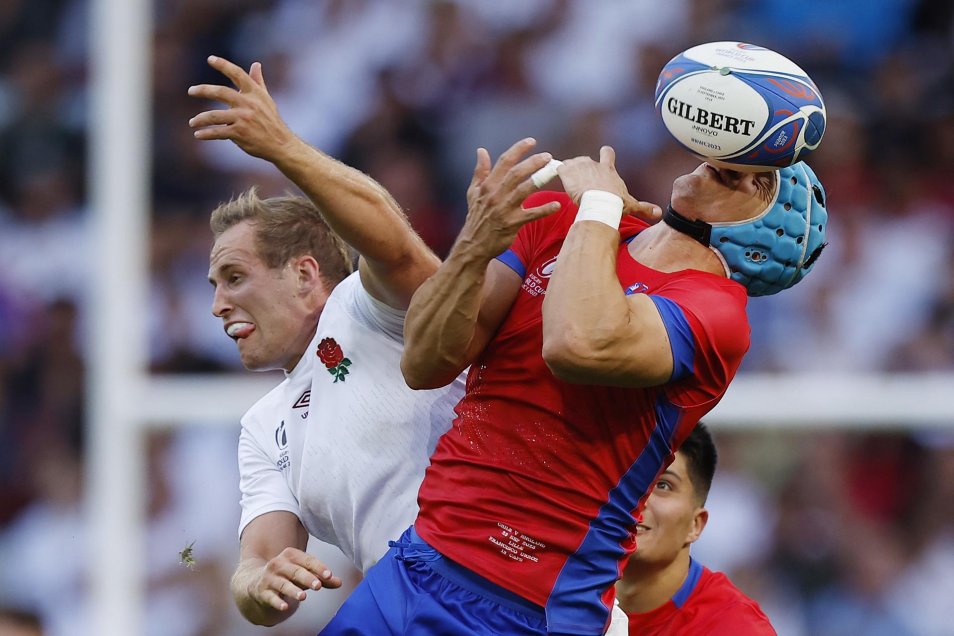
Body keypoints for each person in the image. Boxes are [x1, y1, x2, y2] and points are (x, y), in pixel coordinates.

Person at [320, 139, 828, 635]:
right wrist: (475, 244)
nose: (731, 163)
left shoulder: (716, 312)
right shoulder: (563, 217)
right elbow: (424, 363)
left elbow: (574, 343)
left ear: (762, 242)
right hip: (420, 559)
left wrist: (600, 208)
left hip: (526, 606)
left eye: (760, 180)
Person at [187, 55, 470, 627]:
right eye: (214, 285)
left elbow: (398, 249)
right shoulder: (264, 426)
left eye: (235, 277)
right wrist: (256, 582)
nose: (218, 304)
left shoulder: (365, 311)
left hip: (515, 580)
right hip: (420, 611)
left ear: (306, 274)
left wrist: (283, 148)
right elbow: (257, 563)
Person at [616, 422, 776, 635]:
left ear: (696, 524)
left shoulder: (734, 627)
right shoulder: (562, 598)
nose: (640, 500)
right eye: (628, 480)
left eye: (663, 485)